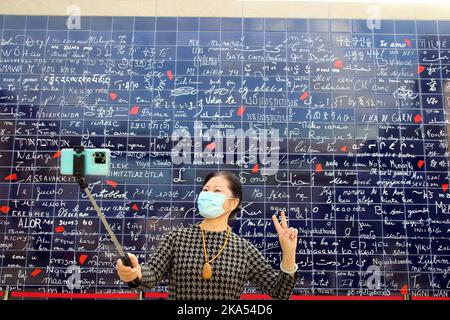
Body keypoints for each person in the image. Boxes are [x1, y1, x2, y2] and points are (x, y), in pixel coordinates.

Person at [116, 171, 299, 299]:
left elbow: (279, 292)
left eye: (217, 191)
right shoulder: (176, 238)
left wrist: (289, 254)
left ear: (233, 203)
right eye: (205, 189)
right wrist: (135, 273)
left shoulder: (244, 250)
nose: (207, 194)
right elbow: (152, 274)